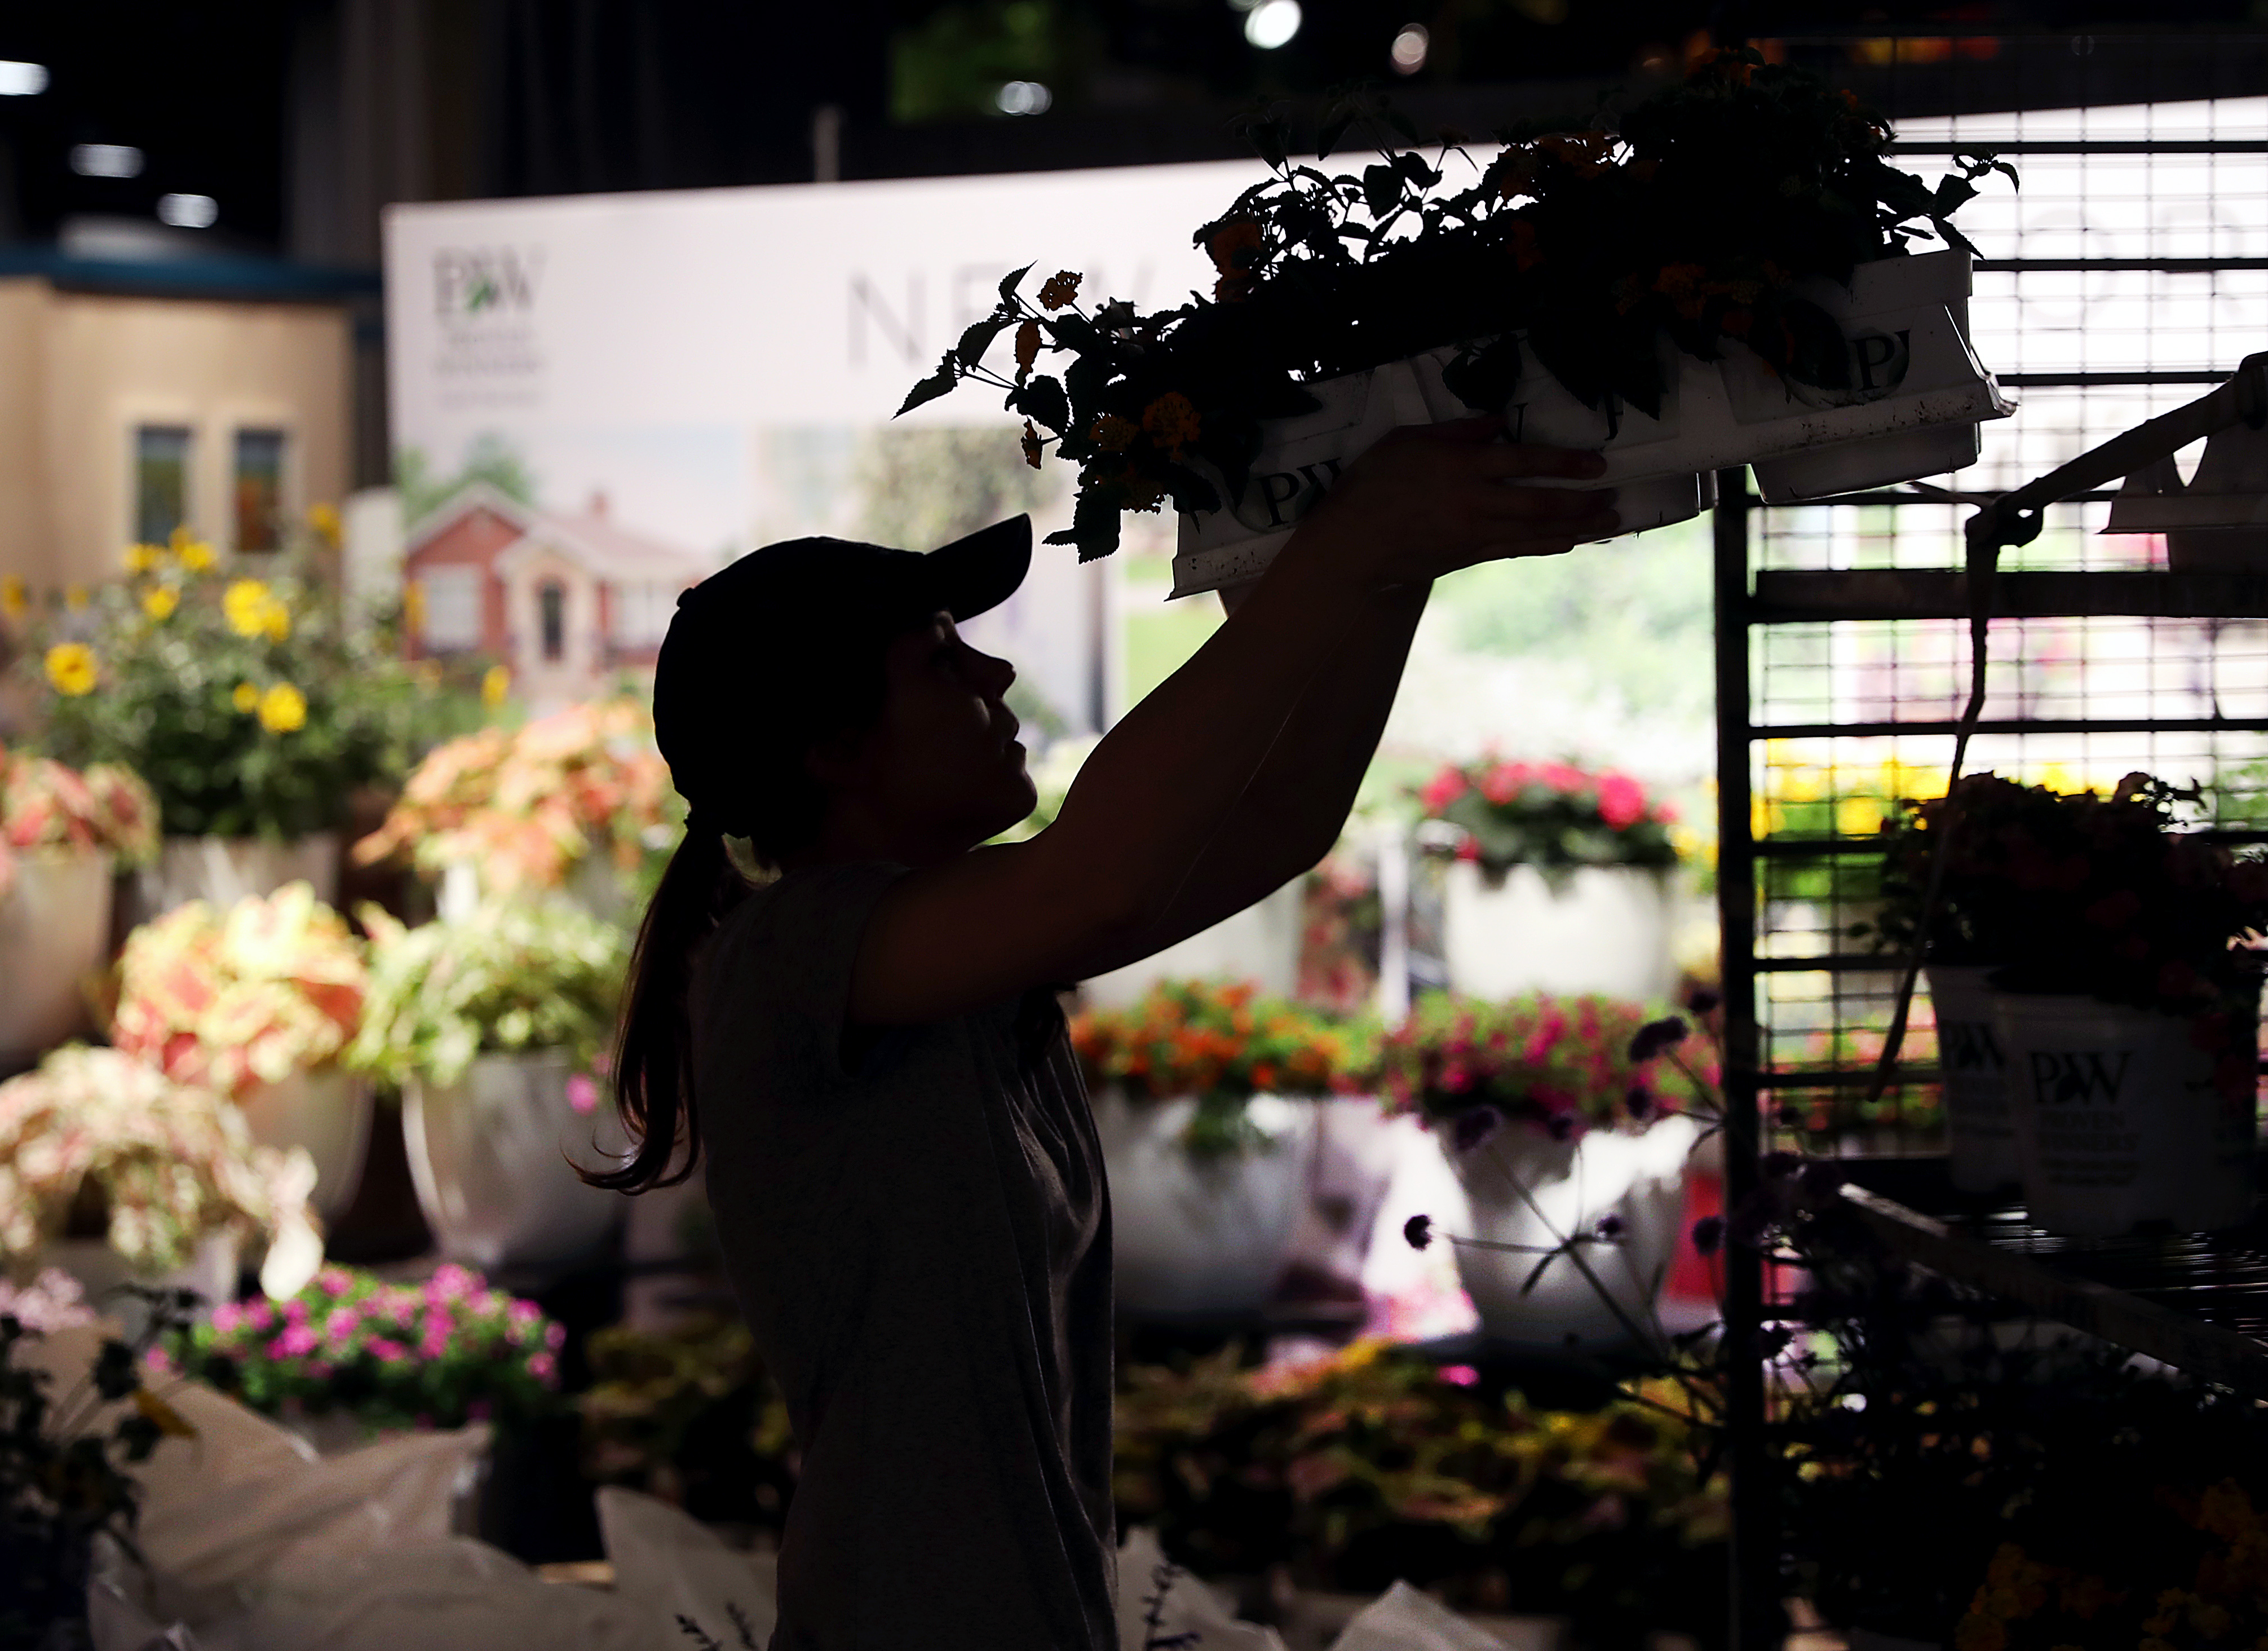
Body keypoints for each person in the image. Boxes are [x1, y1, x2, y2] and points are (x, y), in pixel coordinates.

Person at [593, 420, 1616, 1650]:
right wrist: (1345, 551)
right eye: (939, 663)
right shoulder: (788, 955)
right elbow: (1105, 877)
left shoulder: (964, 965)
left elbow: (1281, 819)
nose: (995, 682)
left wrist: (1397, 569)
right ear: (833, 750)